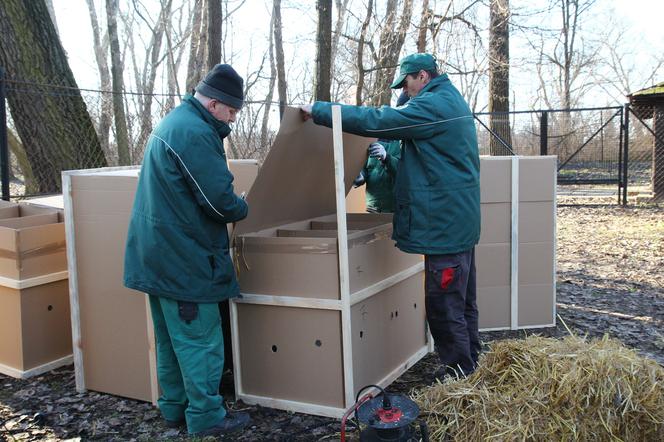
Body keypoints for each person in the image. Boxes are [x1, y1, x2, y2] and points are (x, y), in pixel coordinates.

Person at [301, 53, 481, 381]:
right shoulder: (449, 98)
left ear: (422, 76)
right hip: (456, 224)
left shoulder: (434, 105)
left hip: (445, 227)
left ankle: (460, 377)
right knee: (462, 300)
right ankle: (471, 365)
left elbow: (380, 121)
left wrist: (322, 111)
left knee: (444, 306)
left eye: (407, 82)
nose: (406, 90)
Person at [124, 64, 250, 437]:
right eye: (231, 111)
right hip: (183, 258)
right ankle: (207, 416)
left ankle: (175, 407)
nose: (232, 118)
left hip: (155, 256)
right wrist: (242, 205)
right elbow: (219, 203)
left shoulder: (173, 123)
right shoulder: (194, 133)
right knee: (199, 339)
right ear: (214, 104)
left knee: (170, 339)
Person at [353, 92, 409, 213]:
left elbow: (405, 172)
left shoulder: (409, 140)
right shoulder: (373, 135)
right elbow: (366, 167)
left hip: (397, 209)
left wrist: (386, 158)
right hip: (373, 207)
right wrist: (359, 177)